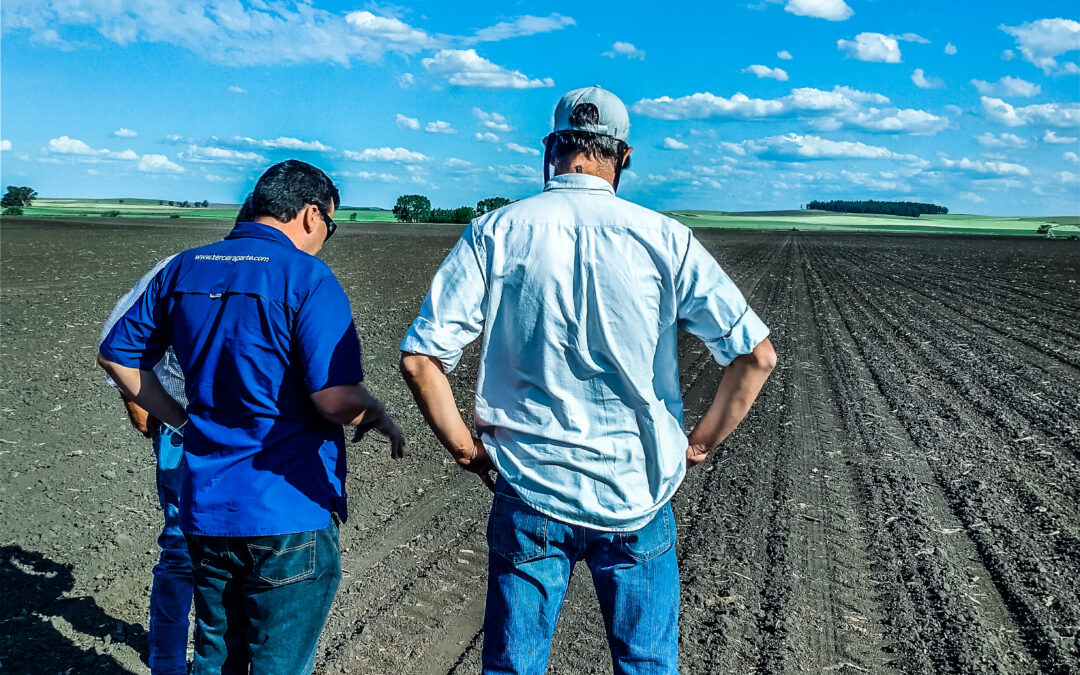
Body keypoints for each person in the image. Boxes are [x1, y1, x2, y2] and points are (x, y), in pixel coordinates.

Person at [399, 86, 776, 674]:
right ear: (623, 157)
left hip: (528, 484)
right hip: (637, 490)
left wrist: (466, 451)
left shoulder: (494, 232)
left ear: (550, 149)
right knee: (646, 664)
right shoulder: (666, 238)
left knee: (512, 666)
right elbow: (755, 356)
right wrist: (696, 444)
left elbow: (422, 359)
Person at [98, 161, 404, 674]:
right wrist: (377, 411)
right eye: (331, 226)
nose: (326, 237)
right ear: (311, 214)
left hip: (206, 509)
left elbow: (118, 356)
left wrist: (180, 420)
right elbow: (333, 397)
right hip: (287, 510)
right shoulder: (307, 276)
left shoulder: (185, 268)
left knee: (217, 657)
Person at [97, 196, 257, 675]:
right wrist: (149, 409)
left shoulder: (278, 275)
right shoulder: (179, 269)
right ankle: (167, 664)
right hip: (187, 434)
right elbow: (119, 344)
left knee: (238, 553)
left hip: (246, 439)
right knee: (184, 549)